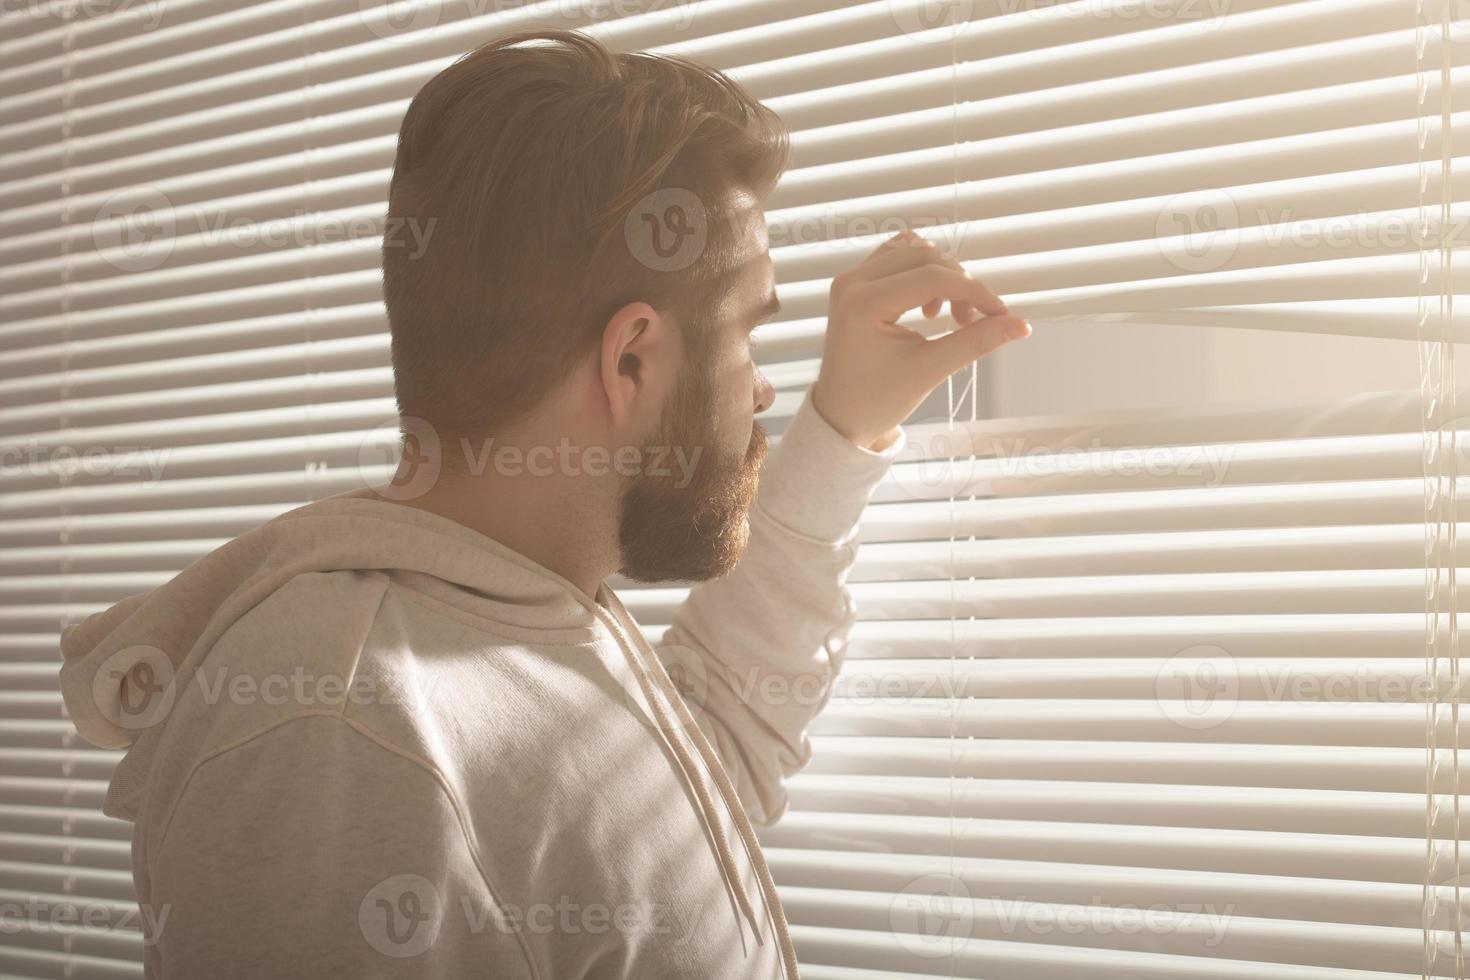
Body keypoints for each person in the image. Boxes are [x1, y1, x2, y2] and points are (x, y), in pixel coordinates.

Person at [58, 28, 1029, 979]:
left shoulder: (524, 622)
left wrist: (841, 428)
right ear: (632, 358)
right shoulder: (341, 735)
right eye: (747, 334)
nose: (761, 392)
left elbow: (697, 771)